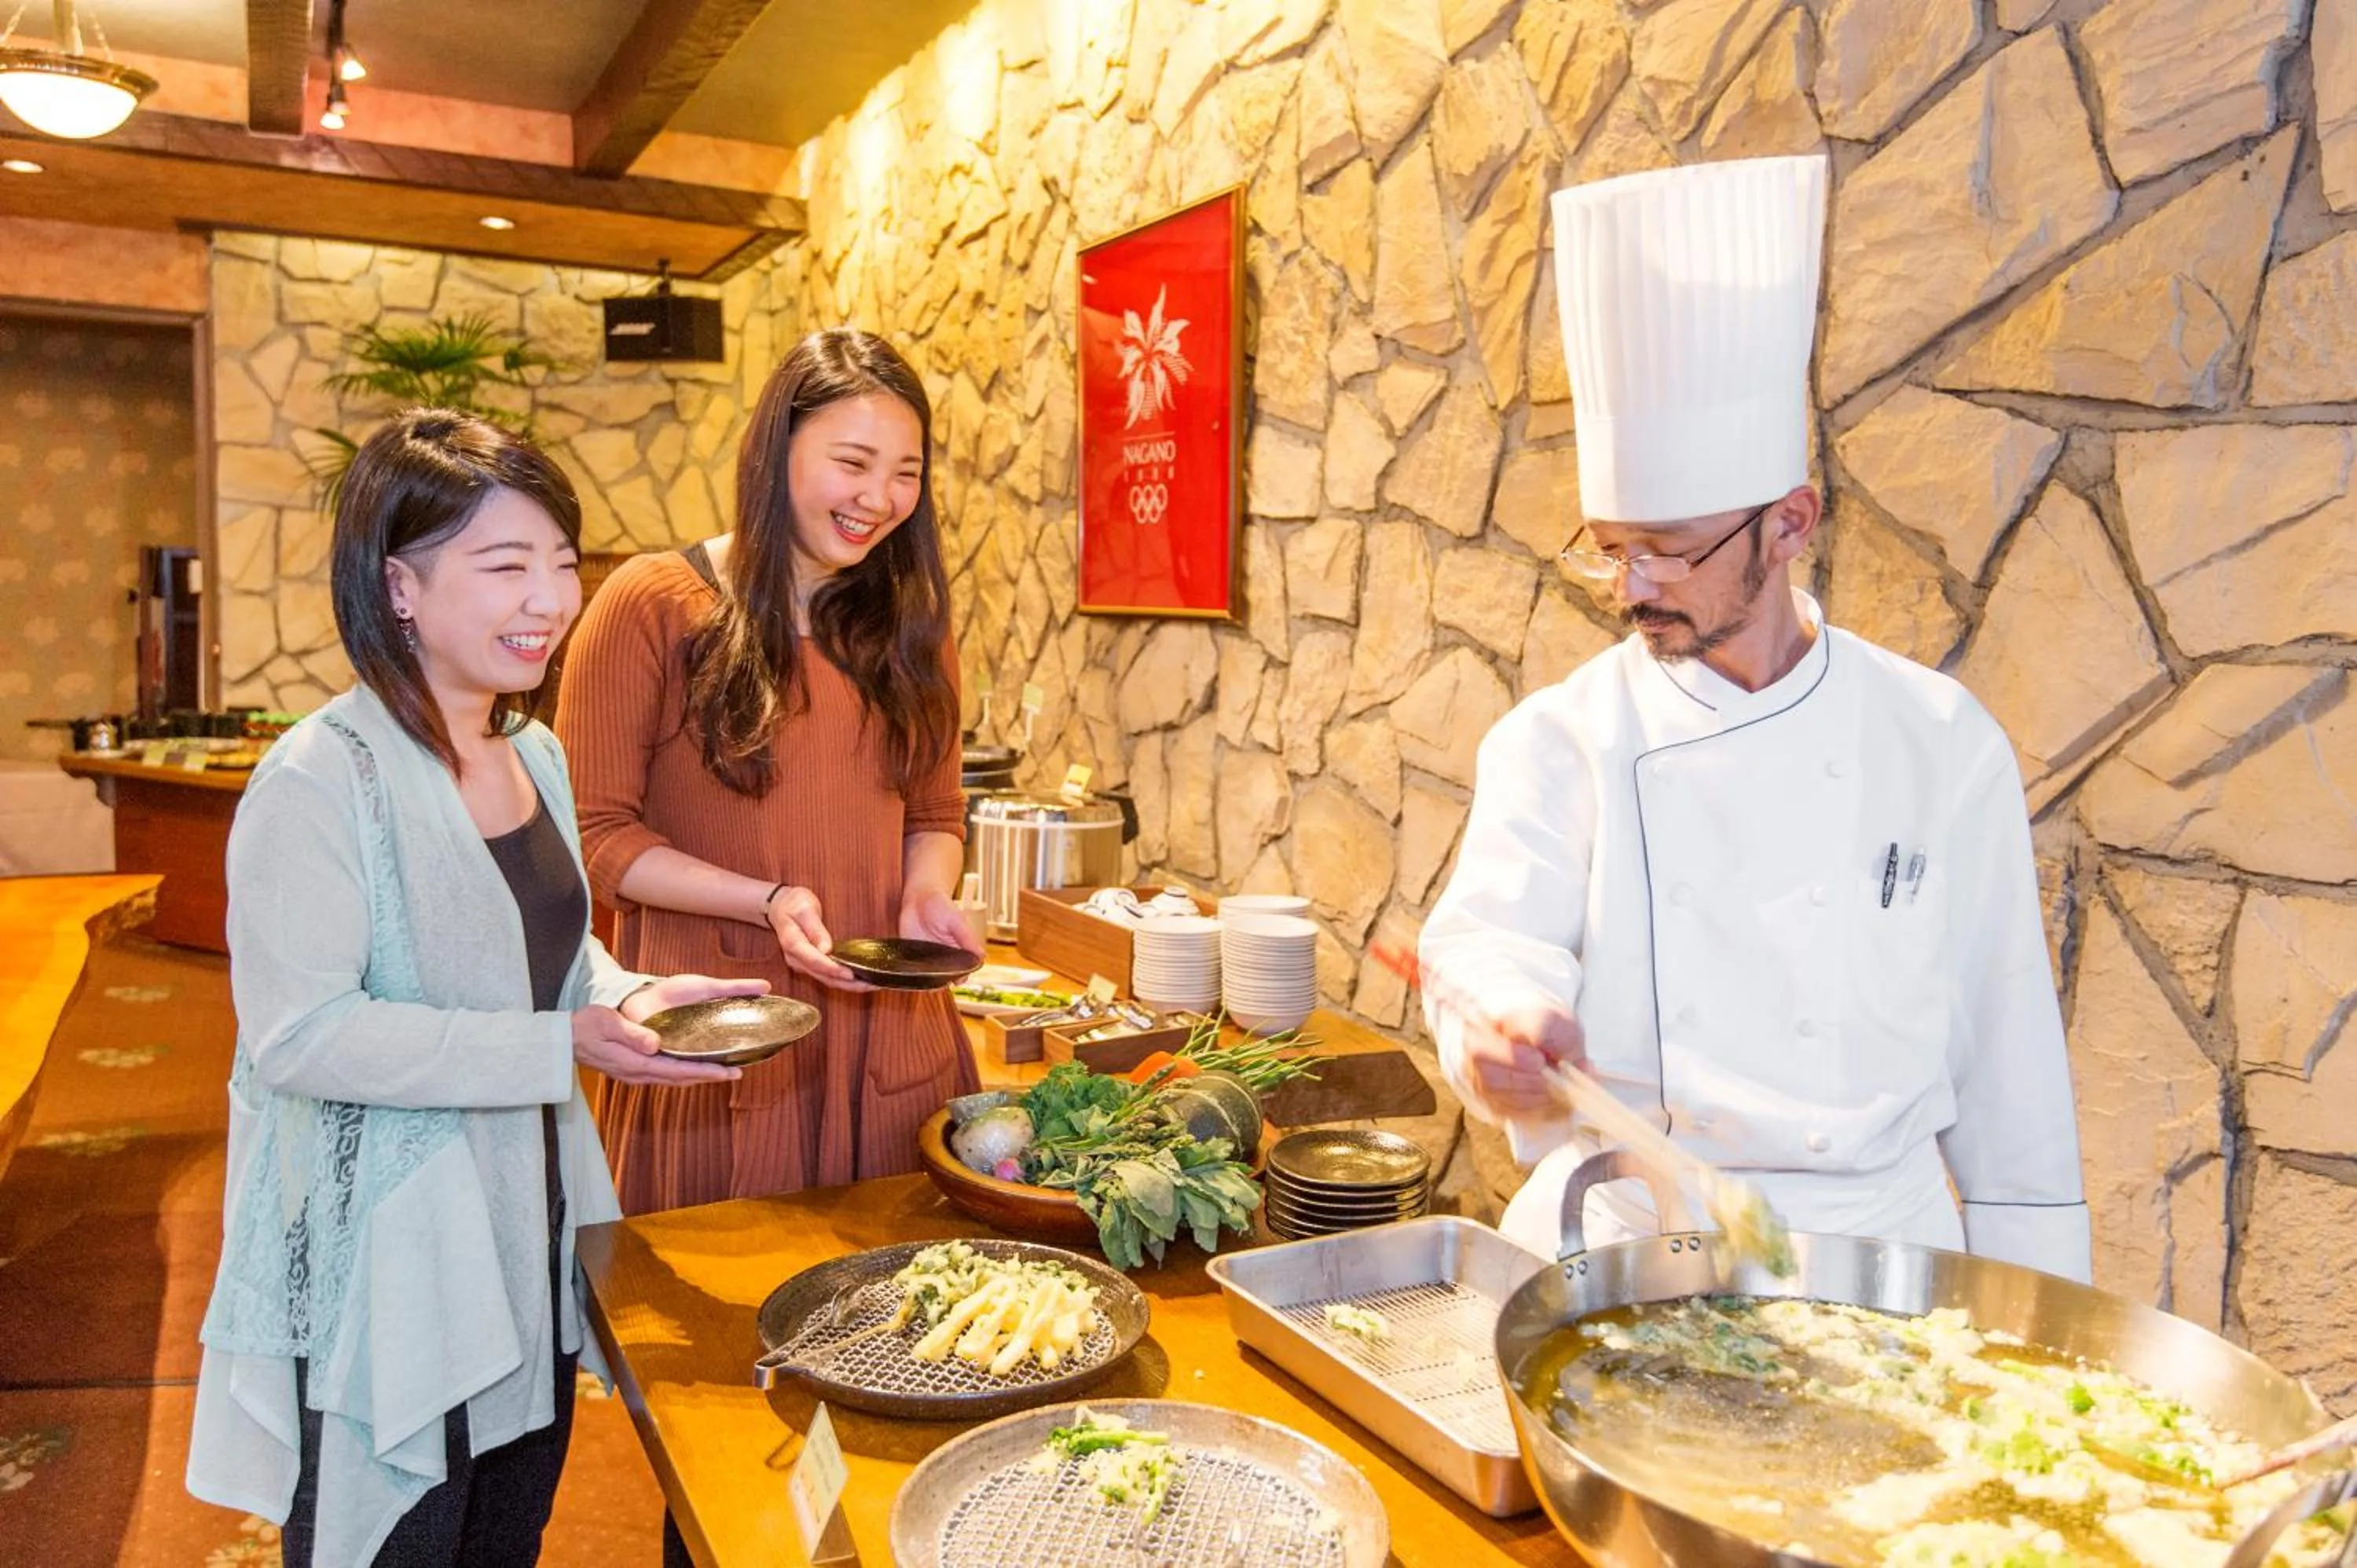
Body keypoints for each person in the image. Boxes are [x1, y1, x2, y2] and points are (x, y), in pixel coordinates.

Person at [1419, 155, 2091, 1281]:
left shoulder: (1939, 743)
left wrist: (2048, 1337)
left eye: (1671, 550)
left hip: (1878, 1270)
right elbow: (1488, 942)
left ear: (1789, 524)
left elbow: (2012, 1084)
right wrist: (1500, 1022)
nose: (1633, 586)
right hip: (1630, 1250)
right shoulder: (1564, 736)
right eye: (1610, 548)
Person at [187, 410, 761, 1566]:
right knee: (400, 1538)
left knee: (506, 1537)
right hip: (394, 1270)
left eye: (560, 565)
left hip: (525, 1235)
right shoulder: (318, 780)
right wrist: (564, 1050)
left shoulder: (533, 754)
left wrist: (636, 997)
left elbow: (549, 964)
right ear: (399, 586)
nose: (548, 601)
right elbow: (303, 1036)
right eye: (506, 568)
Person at [556, 328, 976, 1214]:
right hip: (722, 1024)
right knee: (706, 1331)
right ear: (776, 449)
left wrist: (926, 899)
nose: (881, 497)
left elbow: (935, 814)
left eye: (907, 472)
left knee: (908, 1319)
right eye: (853, 462)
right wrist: (767, 899)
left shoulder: (913, 626)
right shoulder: (650, 604)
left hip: (885, 1026)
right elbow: (594, 835)